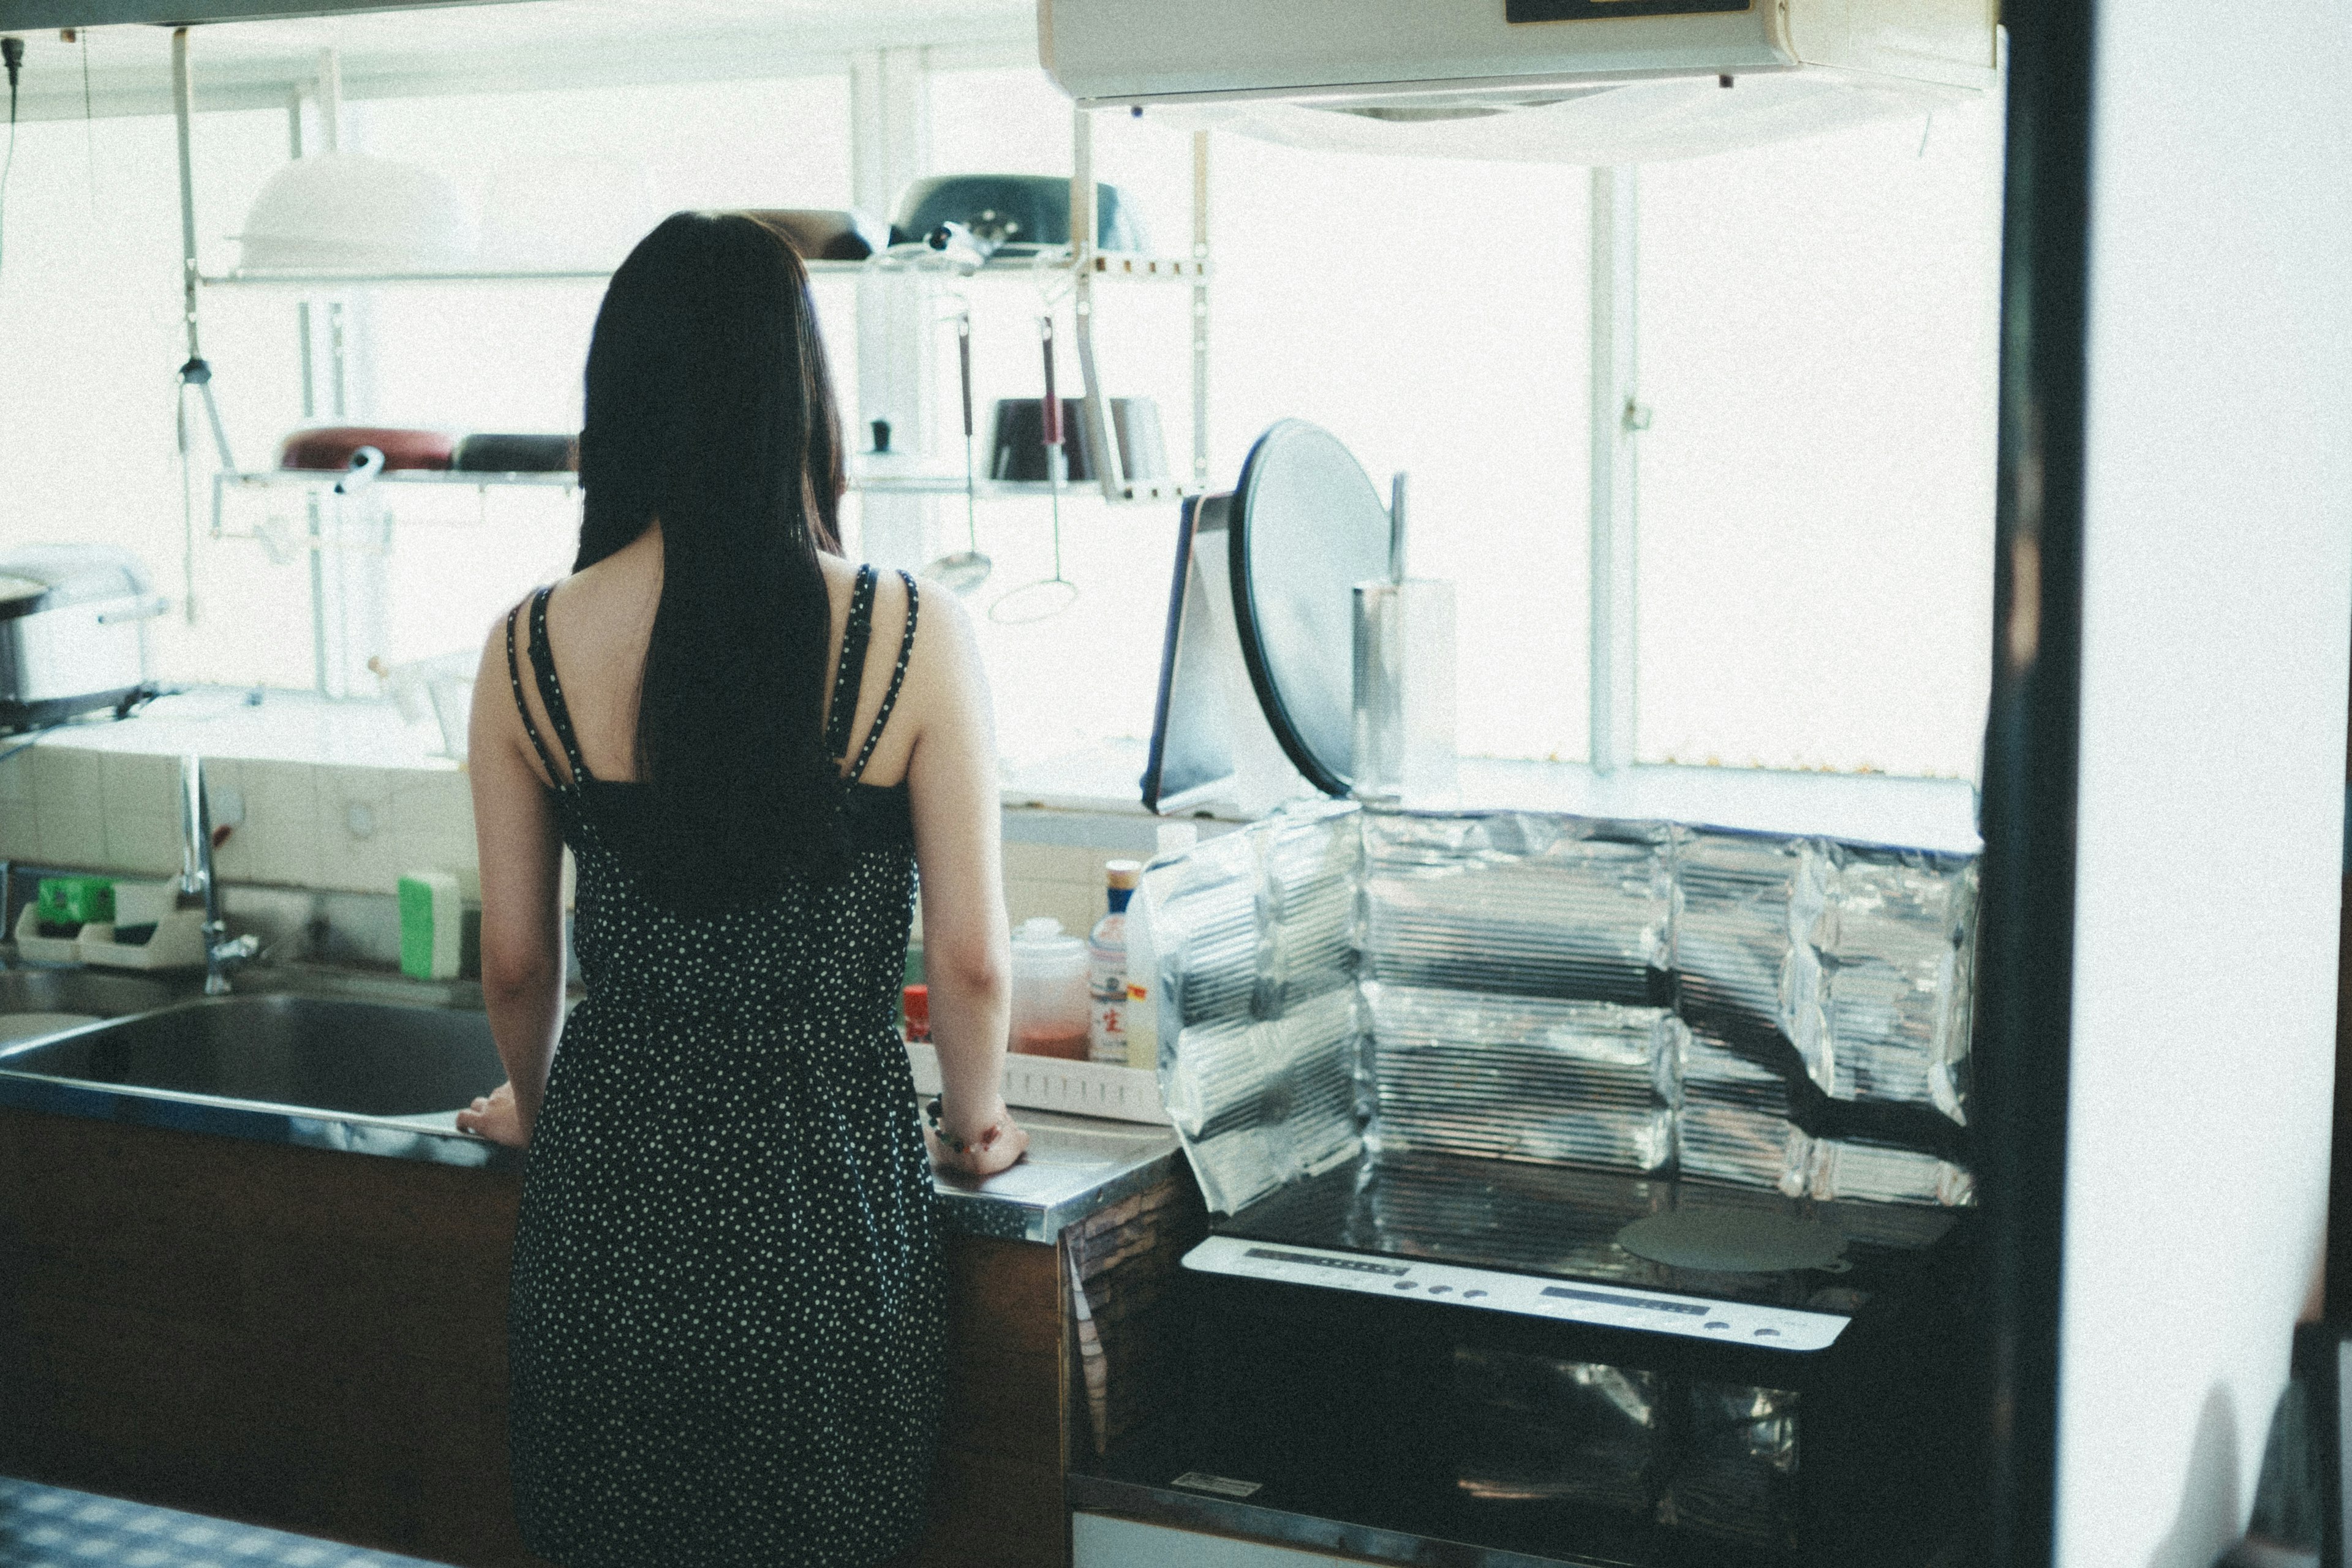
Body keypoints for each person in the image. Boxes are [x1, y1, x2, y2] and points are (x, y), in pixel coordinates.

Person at [454, 209, 1028, 1568]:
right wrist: (979, 1116)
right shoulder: (911, 629)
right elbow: (974, 961)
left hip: (607, 1203)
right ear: (800, 394)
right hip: (821, 1207)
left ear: (619, 395)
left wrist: (535, 1107)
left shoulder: (528, 643)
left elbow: (522, 961)